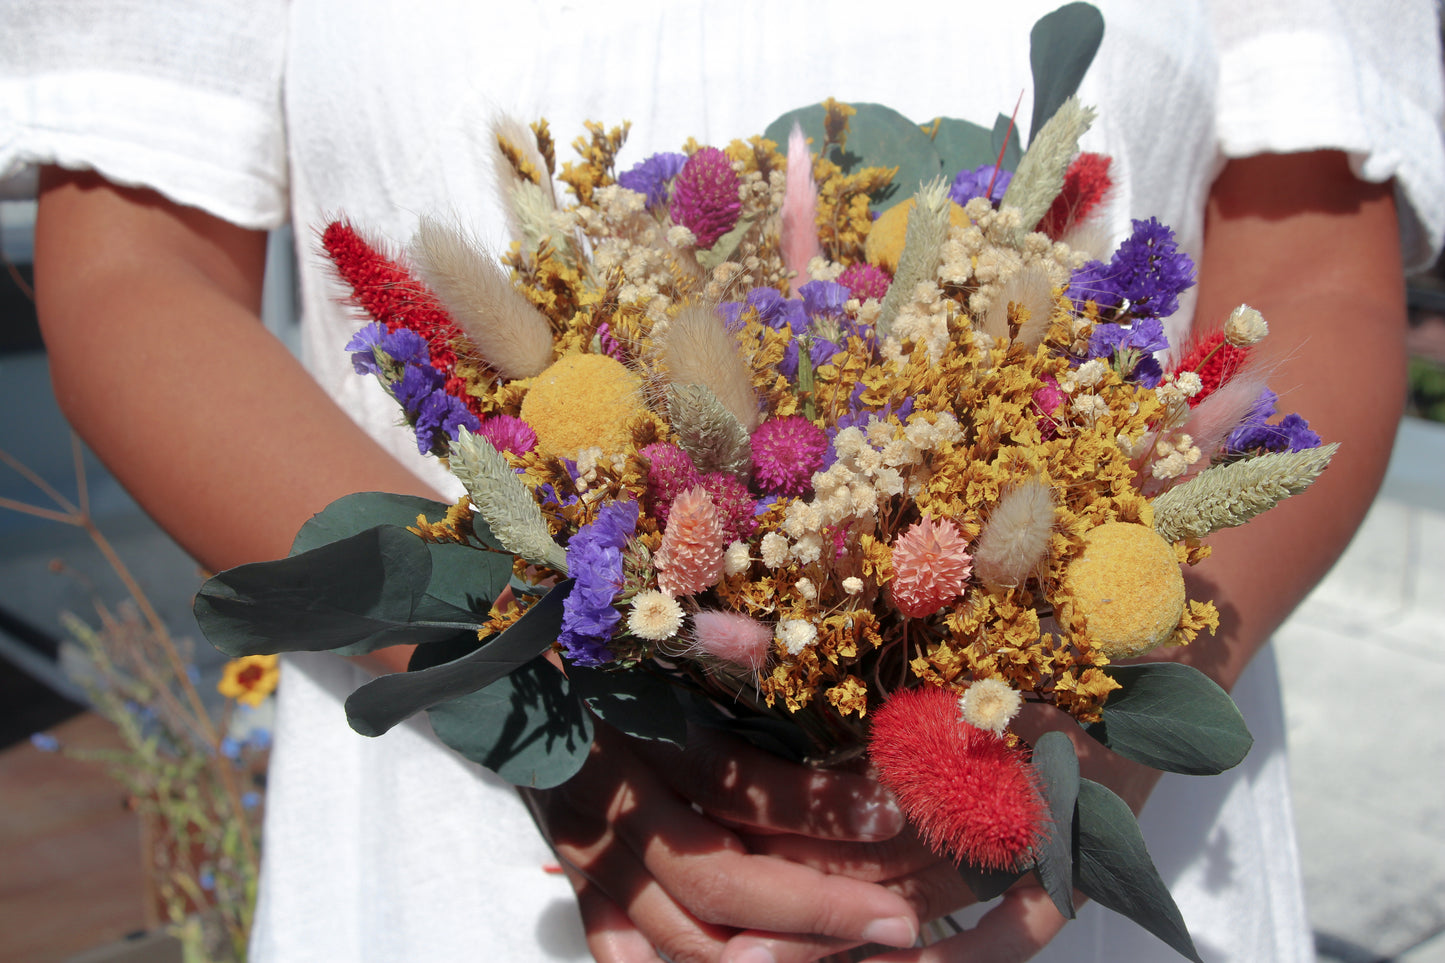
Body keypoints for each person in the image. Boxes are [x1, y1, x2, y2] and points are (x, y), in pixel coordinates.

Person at [5, 1, 1442, 960]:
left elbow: (1316, 274)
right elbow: (137, 265)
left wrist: (1065, 761)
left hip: (1066, 886)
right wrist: (545, 714)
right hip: (473, 870)